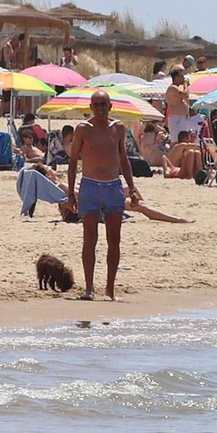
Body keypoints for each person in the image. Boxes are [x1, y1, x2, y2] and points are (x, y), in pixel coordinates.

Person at [66, 90, 140, 300]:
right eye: (96, 104)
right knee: (90, 238)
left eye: (103, 104)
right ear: (90, 107)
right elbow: (73, 162)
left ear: (110, 107)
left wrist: (132, 188)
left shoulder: (117, 128)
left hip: (113, 187)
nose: (99, 108)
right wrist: (71, 194)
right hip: (89, 187)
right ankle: (89, 288)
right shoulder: (82, 129)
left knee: (114, 239)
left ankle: (110, 288)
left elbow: (123, 159)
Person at [164, 67, 197, 148]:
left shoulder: (178, 88)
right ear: (176, 77)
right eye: (181, 76)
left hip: (182, 118)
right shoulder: (172, 88)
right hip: (176, 118)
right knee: (176, 141)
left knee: (184, 140)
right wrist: (186, 85)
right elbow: (185, 95)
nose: (183, 78)